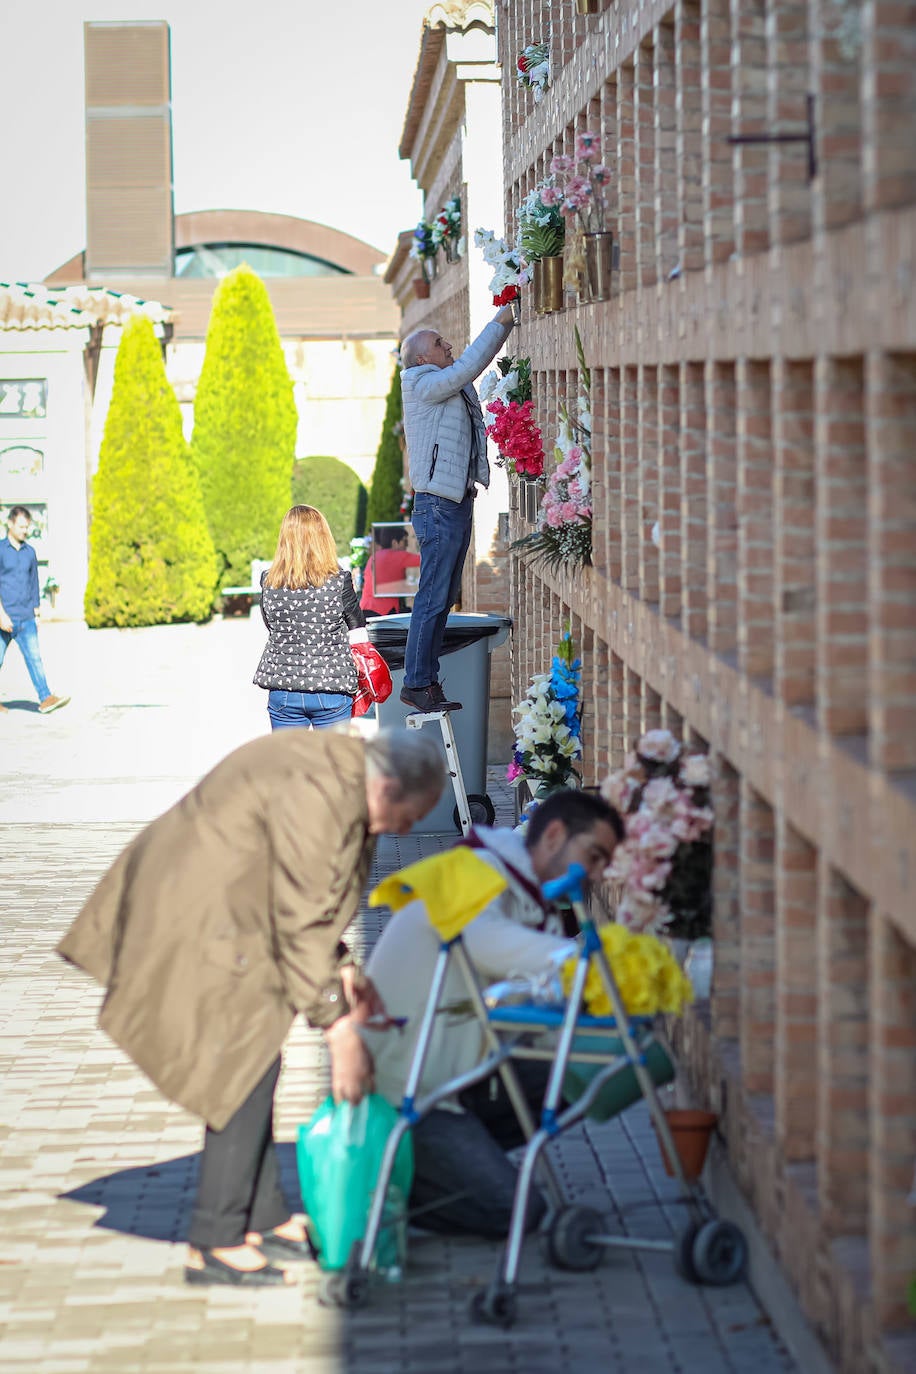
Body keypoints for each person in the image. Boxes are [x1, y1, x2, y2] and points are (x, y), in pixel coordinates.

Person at [56, 726, 445, 1287]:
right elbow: (299, 915)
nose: (408, 830)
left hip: (233, 913)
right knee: (243, 1062)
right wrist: (340, 1034)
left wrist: (346, 975)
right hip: (195, 916)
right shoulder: (320, 790)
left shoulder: (346, 780)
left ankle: (261, 1216)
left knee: (258, 1059)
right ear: (386, 786)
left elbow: (311, 901)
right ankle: (215, 1240)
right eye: (410, 816)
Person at [360, 790, 623, 1238]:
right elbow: (485, 942)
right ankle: (381, 1181)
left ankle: (459, 1163)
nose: (596, 875)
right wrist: (596, 966)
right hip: (405, 1095)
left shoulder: (518, 888)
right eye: (593, 856)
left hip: (456, 1075)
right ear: (555, 835)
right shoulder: (475, 872)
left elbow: (516, 989)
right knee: (518, 1212)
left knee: (585, 1072)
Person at [398, 304, 516, 713]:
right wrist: (501, 323)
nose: (447, 345)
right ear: (420, 358)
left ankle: (425, 679)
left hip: (455, 502)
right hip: (437, 506)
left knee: (444, 595)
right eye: (438, 343)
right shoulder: (419, 382)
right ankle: (417, 682)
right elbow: (468, 368)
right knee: (432, 596)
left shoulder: (439, 381)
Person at [253, 505, 365, 731]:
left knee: (291, 766)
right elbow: (358, 630)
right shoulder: (338, 581)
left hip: (284, 689)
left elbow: (272, 625)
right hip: (331, 688)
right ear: (323, 538)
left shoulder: (269, 581)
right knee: (334, 765)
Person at [0, 506, 69, 714]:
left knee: (35, 658)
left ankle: (46, 698)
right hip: (4, 617)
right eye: (21, 526)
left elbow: (34, 583)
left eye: (27, 527)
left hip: (26, 617)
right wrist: (0, 614)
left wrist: (37, 613)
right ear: (10, 524)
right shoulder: (0, 550)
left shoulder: (30, 552)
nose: (24, 531)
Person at [360, 526, 421, 617]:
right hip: (382, 611)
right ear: (394, 543)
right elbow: (425, 560)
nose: (407, 545)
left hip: (366, 608)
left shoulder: (374, 556)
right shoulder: (397, 556)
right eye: (405, 541)